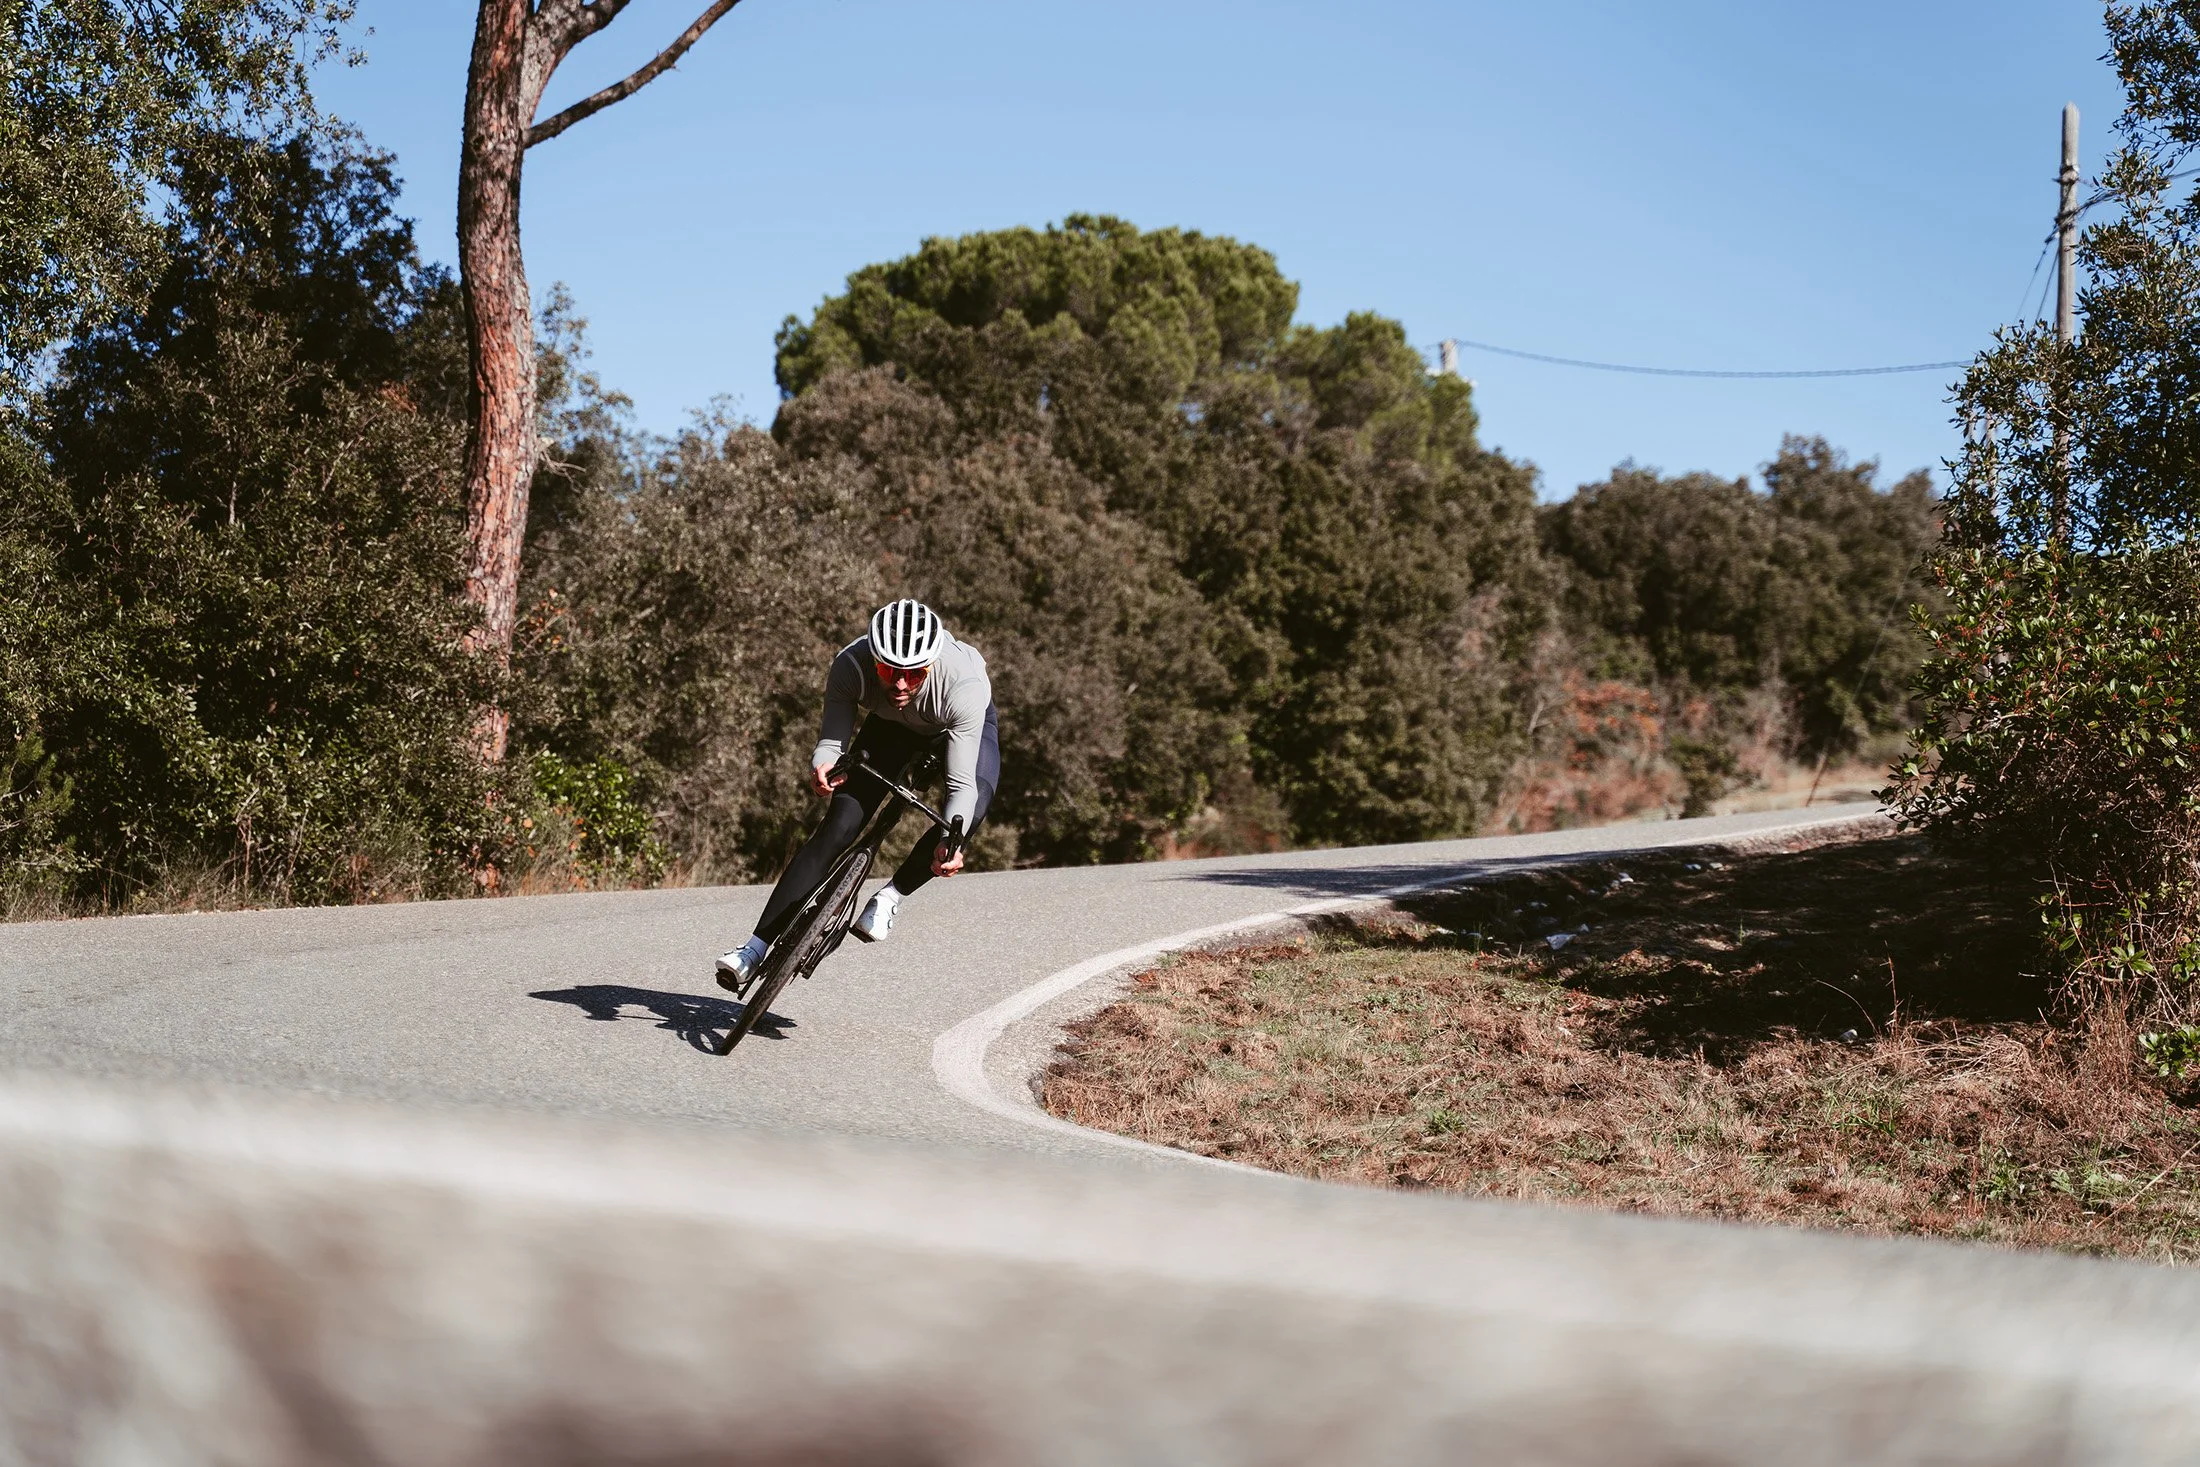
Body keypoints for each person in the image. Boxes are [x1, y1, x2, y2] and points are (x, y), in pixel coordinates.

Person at [716, 599, 998, 993]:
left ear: (930, 665)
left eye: (914, 674)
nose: (900, 684)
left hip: (954, 727)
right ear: (874, 659)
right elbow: (832, 740)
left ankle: (891, 896)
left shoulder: (963, 686)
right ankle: (754, 949)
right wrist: (824, 766)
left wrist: (952, 840)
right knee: (837, 826)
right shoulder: (851, 665)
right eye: (889, 671)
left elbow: (961, 785)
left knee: (971, 808)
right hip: (890, 728)